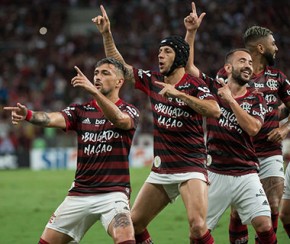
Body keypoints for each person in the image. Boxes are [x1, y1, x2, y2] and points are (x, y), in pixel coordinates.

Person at [93, 4, 221, 244]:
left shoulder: (194, 85)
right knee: (135, 223)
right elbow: (122, 67)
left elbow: (214, 110)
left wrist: (181, 95)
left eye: (166, 52)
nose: (159, 55)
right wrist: (106, 34)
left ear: (179, 57)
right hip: (162, 168)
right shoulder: (153, 81)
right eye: (159, 51)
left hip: (191, 165)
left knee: (197, 226)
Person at [4, 57, 140, 244]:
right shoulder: (80, 111)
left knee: (125, 236)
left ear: (119, 82)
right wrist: (28, 114)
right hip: (79, 194)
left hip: (113, 194)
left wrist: (93, 92)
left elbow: (120, 120)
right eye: (96, 73)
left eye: (105, 73)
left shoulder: (129, 110)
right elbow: (51, 118)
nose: (98, 77)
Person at [184, 4, 290, 242]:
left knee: (269, 212)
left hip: (260, 156)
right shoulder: (222, 79)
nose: (276, 47)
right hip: (224, 161)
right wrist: (191, 33)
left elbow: (258, 125)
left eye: (249, 63)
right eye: (273, 43)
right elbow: (190, 70)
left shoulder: (270, 85)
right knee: (215, 223)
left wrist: (284, 128)